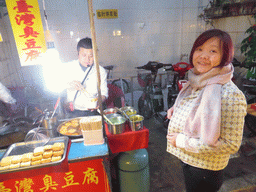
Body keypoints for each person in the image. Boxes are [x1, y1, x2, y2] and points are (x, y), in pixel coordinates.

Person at [166, 29, 247, 192]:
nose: (203, 55)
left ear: (224, 56)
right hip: (190, 162)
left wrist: (181, 141)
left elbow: (230, 145)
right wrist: (178, 108)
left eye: (212, 51)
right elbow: (200, 107)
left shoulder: (230, 95)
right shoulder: (198, 81)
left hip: (205, 170)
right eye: (199, 49)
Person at [63, 37, 108, 117]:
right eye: (84, 55)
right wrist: (68, 84)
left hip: (93, 112)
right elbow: (54, 85)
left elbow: (104, 92)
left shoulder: (100, 71)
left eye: (91, 56)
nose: (88, 59)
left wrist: (99, 100)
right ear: (78, 54)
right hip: (73, 112)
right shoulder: (68, 68)